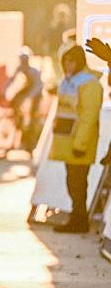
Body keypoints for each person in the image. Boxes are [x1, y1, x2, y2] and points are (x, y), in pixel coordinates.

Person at [49, 44, 103, 233]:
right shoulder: (69, 81)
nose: (68, 65)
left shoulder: (89, 84)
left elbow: (89, 117)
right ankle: (76, 218)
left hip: (80, 143)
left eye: (72, 61)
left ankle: (79, 221)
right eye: (65, 61)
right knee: (72, 182)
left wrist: (80, 143)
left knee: (79, 183)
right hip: (68, 141)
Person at [5, 47, 44, 151]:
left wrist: (28, 98)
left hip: (37, 91)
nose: (22, 62)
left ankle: (29, 139)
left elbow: (37, 86)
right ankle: (19, 120)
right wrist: (5, 92)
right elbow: (11, 80)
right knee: (15, 100)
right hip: (28, 87)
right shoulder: (20, 68)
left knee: (32, 116)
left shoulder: (33, 71)